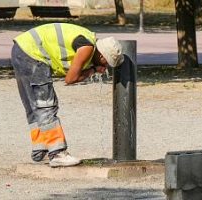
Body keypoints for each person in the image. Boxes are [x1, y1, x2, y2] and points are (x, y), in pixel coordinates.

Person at [11, 23, 124, 167]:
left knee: (34, 104)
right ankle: (57, 153)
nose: (106, 66)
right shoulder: (87, 48)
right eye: (107, 62)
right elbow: (70, 79)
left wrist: (93, 67)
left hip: (21, 49)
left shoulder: (87, 40)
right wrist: (93, 70)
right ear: (101, 55)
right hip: (32, 54)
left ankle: (41, 149)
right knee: (45, 104)